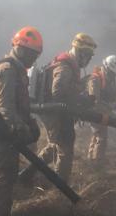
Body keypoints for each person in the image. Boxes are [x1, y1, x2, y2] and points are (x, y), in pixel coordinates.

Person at [0, 27, 44, 216]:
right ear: (21, 49)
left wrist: (28, 124)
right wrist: (20, 127)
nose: (33, 60)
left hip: (8, 131)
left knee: (8, 174)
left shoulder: (17, 70)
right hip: (2, 132)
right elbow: (5, 106)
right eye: (32, 54)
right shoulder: (7, 70)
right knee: (2, 175)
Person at [33, 33, 97, 183]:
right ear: (79, 52)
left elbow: (67, 90)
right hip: (55, 112)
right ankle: (60, 185)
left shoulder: (70, 64)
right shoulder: (65, 66)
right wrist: (82, 99)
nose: (87, 59)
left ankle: (30, 172)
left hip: (56, 111)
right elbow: (58, 92)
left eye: (89, 56)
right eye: (86, 55)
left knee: (55, 145)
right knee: (65, 149)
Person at [85, 54, 116, 163]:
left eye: (115, 74)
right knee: (101, 137)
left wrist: (115, 104)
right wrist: (109, 108)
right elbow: (94, 100)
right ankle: (97, 162)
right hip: (94, 111)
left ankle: (91, 158)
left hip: (104, 111)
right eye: (112, 73)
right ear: (106, 67)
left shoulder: (110, 79)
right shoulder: (95, 79)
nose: (113, 76)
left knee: (97, 135)